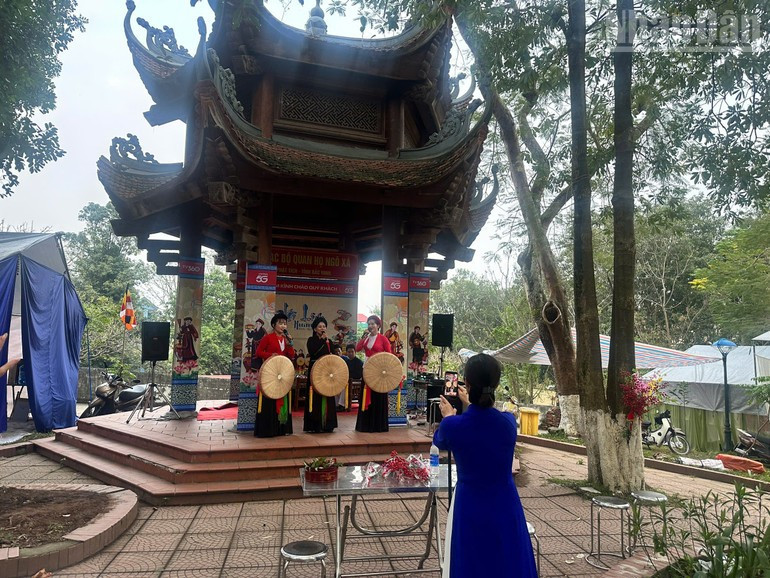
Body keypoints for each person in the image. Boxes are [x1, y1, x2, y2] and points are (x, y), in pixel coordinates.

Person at [434, 353, 537, 578]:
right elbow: (487, 421)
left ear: (467, 384)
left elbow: (440, 439)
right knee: (507, 561)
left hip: (470, 505)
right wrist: (469, 405)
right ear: (497, 384)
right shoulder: (508, 423)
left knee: (472, 562)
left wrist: (449, 415)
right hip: (505, 503)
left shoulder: (453, 426)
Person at [253, 312, 295, 438]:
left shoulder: (286, 339)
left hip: (282, 372)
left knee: (282, 397)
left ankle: (281, 429)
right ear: (274, 325)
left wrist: (290, 344)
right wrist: (270, 355)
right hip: (269, 372)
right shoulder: (268, 337)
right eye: (280, 323)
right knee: (269, 399)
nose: (283, 326)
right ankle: (267, 429)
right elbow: (258, 352)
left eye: (284, 324)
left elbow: (291, 355)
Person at [354, 315, 392, 432]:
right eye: (369, 324)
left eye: (373, 324)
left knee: (378, 396)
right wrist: (364, 336)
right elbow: (357, 348)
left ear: (378, 326)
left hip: (379, 371)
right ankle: (365, 425)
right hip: (367, 369)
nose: (370, 326)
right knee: (366, 394)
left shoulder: (383, 339)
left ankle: (378, 425)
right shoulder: (366, 338)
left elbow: (389, 355)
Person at [304, 316, 338, 433]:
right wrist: (322, 340)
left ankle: (328, 424)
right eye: (319, 326)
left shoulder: (329, 341)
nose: (322, 328)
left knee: (328, 394)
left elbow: (333, 354)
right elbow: (313, 351)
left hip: (327, 371)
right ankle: (315, 424)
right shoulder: (311, 340)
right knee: (316, 396)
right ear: (314, 329)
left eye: (324, 326)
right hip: (315, 370)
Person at [337, 344, 363, 410]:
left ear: (355, 352)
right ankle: (336, 404)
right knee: (336, 385)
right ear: (346, 353)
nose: (350, 353)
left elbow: (359, 375)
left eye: (352, 352)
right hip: (347, 381)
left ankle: (342, 405)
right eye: (349, 352)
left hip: (356, 382)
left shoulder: (359, 362)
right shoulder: (346, 362)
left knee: (345, 385)